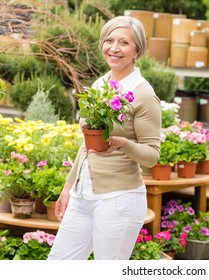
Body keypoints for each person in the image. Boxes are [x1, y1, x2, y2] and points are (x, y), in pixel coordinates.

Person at [48, 16, 161, 260]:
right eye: (109, 40)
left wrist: (124, 144)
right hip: (83, 196)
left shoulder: (143, 93)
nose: (114, 48)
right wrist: (68, 187)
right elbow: (86, 145)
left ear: (136, 50)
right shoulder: (100, 86)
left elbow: (152, 155)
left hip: (118, 200)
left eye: (124, 43)